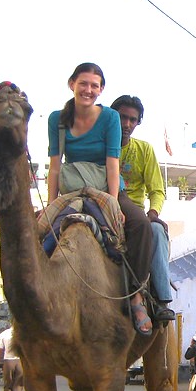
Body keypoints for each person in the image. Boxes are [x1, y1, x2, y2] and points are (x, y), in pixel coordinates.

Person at [47, 62, 155, 336]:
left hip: (107, 189)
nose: (88, 90)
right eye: (83, 84)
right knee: (38, 235)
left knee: (141, 226)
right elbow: (55, 166)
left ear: (101, 89)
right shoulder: (56, 119)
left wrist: (113, 203)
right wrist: (49, 205)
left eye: (94, 85)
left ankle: (136, 295)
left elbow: (112, 164)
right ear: (72, 84)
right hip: (70, 190)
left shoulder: (110, 119)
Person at [110, 94, 175, 322]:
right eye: (122, 118)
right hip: (104, 206)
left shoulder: (144, 150)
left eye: (133, 120)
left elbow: (157, 190)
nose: (127, 124)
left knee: (156, 230)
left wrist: (153, 213)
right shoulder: (101, 145)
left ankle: (161, 300)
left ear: (138, 122)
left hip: (135, 214)